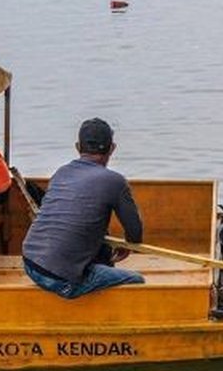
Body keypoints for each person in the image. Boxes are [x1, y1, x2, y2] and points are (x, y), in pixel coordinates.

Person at [20, 118, 145, 299]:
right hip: (60, 280)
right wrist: (129, 245)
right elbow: (135, 231)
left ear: (78, 147)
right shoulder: (115, 181)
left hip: (30, 263)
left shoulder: (60, 173)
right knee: (136, 280)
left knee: (99, 242)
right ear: (112, 148)